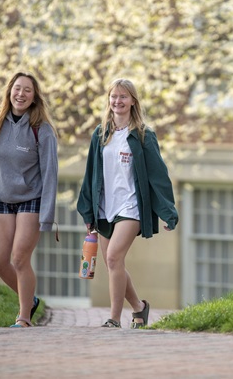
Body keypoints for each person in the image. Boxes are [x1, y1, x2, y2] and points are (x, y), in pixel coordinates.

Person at [77, 78, 179, 329]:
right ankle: (139, 308)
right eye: (114, 96)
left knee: (113, 258)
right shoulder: (100, 133)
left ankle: (113, 318)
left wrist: (168, 211)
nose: (117, 101)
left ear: (133, 101)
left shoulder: (143, 135)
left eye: (123, 96)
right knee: (116, 263)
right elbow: (91, 174)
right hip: (104, 208)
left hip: (130, 207)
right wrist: (88, 209)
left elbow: (158, 176)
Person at [0, 72, 59, 328]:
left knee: (19, 259)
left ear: (34, 97)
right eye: (17, 89)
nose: (21, 94)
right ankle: (30, 299)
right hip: (2, 199)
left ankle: (24, 318)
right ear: (9, 92)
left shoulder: (42, 130)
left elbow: (50, 175)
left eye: (27, 90)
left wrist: (47, 215)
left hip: (31, 199)